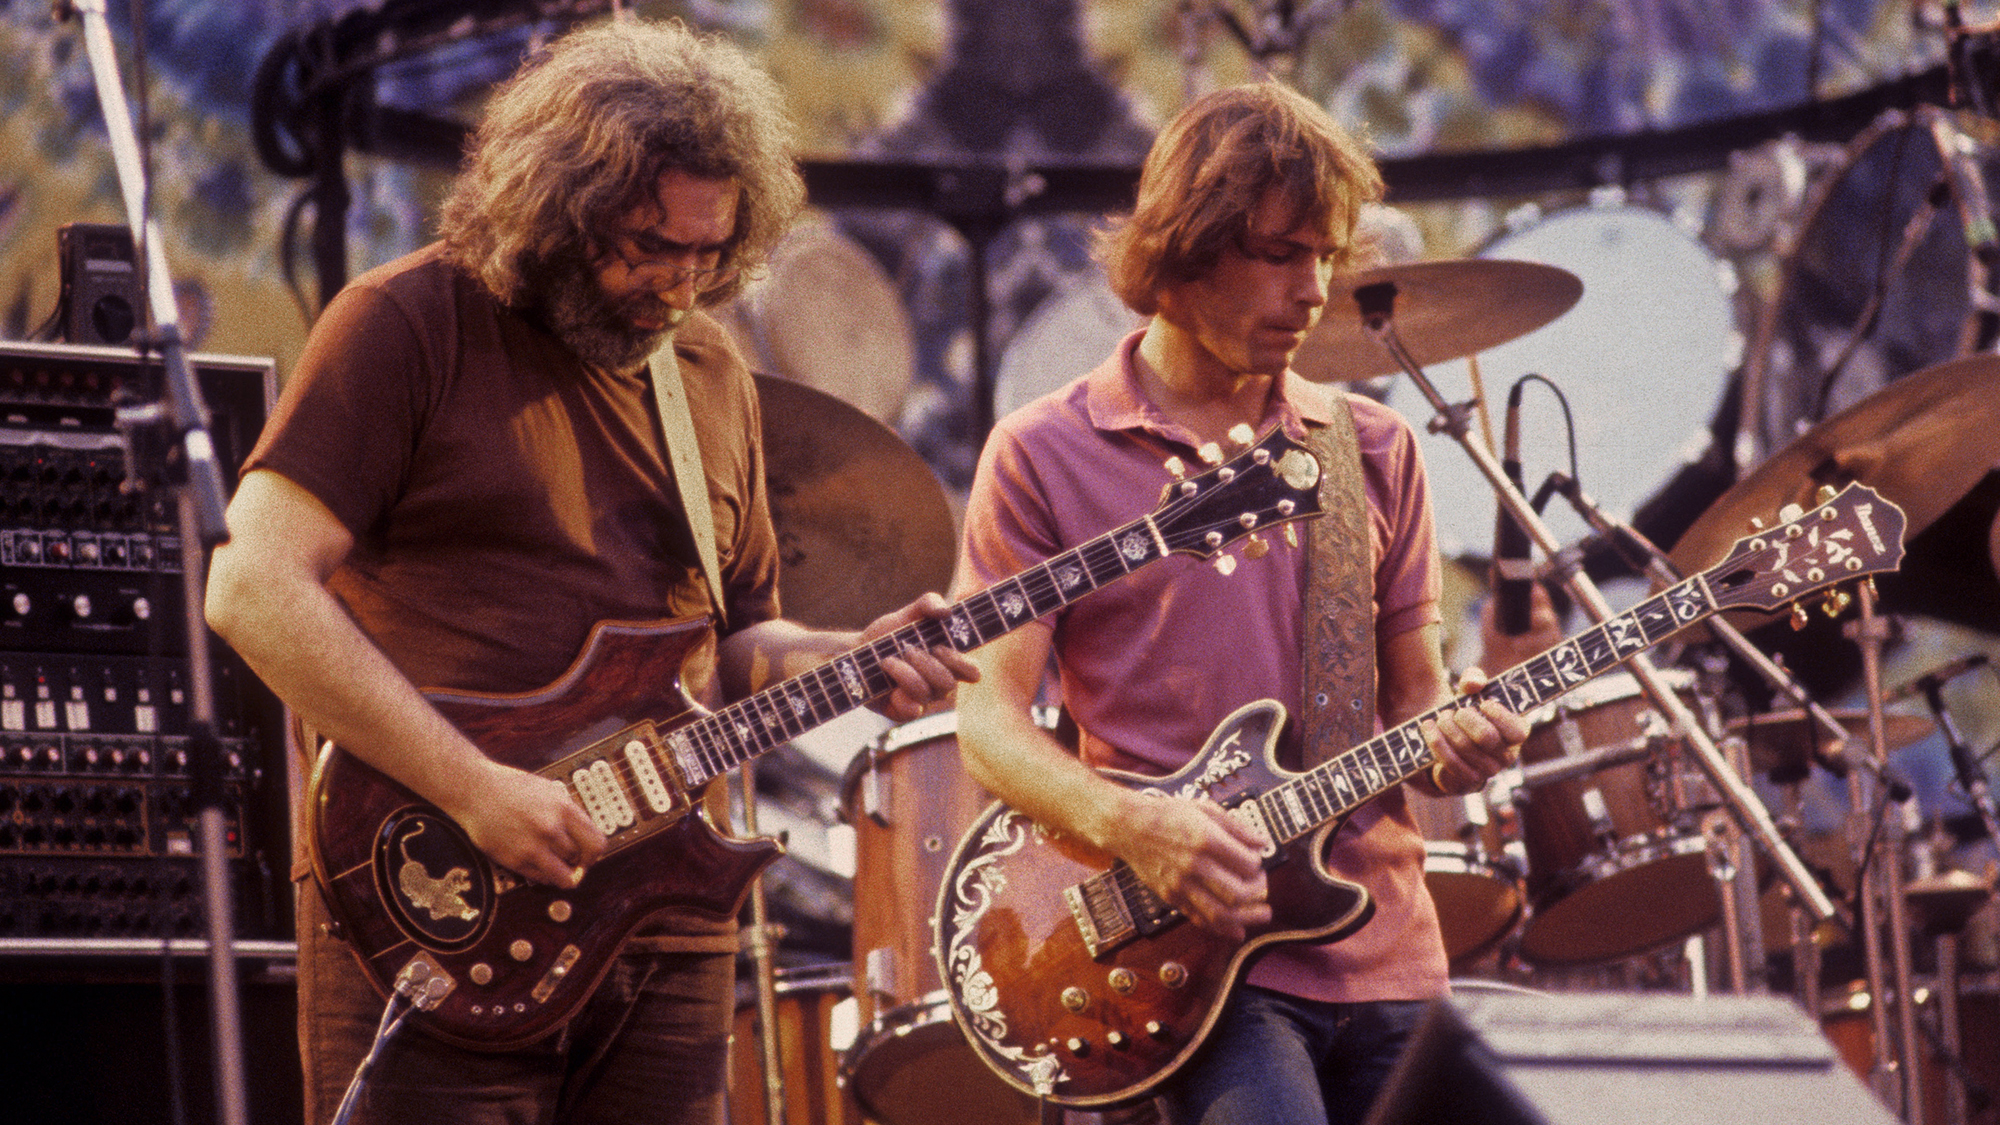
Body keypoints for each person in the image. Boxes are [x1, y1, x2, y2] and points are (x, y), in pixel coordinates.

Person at [203, 19, 974, 1125]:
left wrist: (846, 660)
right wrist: (477, 790)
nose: (676, 283)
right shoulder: (406, 324)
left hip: (664, 925)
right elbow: (253, 589)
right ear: (555, 210)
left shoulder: (705, 364)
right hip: (442, 896)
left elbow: (733, 633)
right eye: (645, 244)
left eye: (708, 253)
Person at [950, 83, 1531, 1125]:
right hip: (1187, 957)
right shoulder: (1042, 453)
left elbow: (1418, 708)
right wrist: (1130, 824)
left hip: (1388, 947)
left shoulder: (1370, 449)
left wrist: (1463, 739)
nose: (1313, 292)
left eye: (1324, 256)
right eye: (1277, 254)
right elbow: (986, 720)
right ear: (1179, 254)